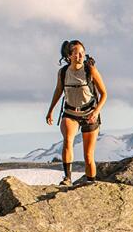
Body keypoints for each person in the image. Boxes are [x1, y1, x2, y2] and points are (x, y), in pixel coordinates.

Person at [46, 40, 107, 186]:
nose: (79, 56)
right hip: (70, 112)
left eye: (82, 53)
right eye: (76, 53)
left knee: (88, 155)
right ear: (69, 55)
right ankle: (67, 178)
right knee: (67, 140)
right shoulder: (63, 72)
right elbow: (58, 91)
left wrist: (96, 112)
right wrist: (50, 110)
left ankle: (90, 183)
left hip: (89, 113)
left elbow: (104, 94)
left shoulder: (90, 70)